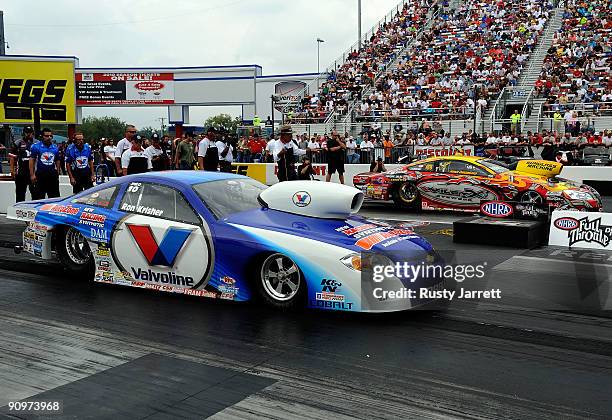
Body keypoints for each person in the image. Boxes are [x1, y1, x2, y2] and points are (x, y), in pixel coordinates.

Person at [29, 128, 61, 199]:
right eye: (46, 136)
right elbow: (32, 160)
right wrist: (32, 174)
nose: (49, 138)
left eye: (50, 136)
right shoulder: (36, 146)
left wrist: (58, 172)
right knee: (38, 198)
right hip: (40, 175)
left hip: (52, 175)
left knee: (54, 198)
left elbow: (57, 160)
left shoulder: (55, 147)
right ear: (42, 136)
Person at [10, 126, 36, 202]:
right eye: (26, 132)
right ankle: (18, 210)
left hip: (33, 172)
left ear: (32, 133)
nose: (28, 134)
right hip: (21, 172)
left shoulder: (36, 143)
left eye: (30, 132)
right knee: (20, 194)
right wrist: (12, 170)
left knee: (35, 194)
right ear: (23, 133)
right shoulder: (17, 143)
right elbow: (12, 157)